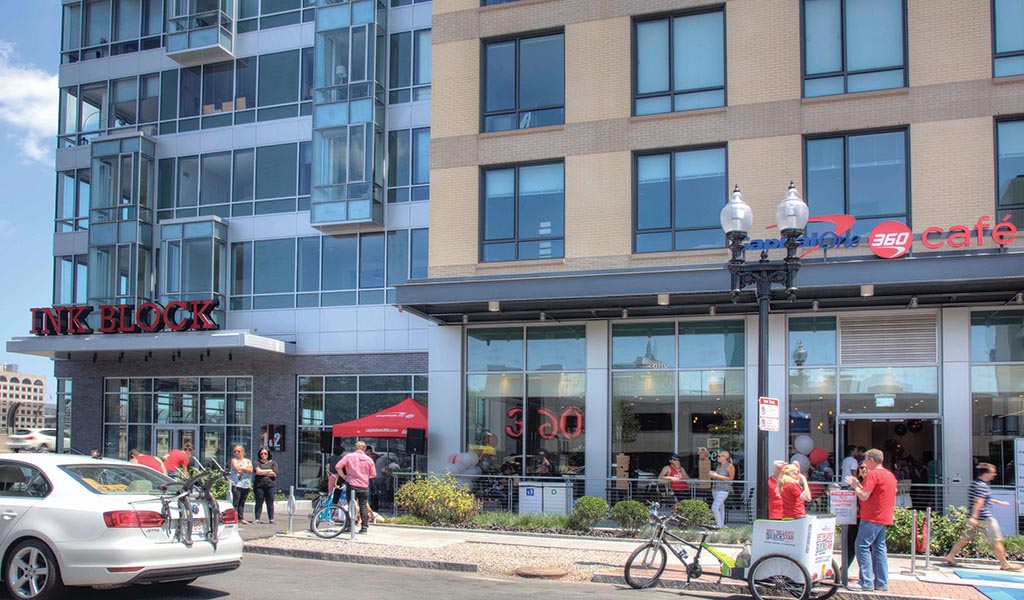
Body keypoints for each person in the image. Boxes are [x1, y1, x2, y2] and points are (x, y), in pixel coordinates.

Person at [945, 463, 1022, 570]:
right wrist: (974, 517)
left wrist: (999, 502)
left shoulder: (975, 484)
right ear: (985, 474)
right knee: (996, 540)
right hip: (985, 518)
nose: (994, 475)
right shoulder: (982, 486)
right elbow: (979, 501)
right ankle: (1005, 564)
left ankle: (950, 556)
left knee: (965, 538)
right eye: (992, 472)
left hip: (975, 517)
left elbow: (983, 499)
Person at [845, 448, 897, 592]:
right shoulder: (890, 475)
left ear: (872, 460)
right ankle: (881, 582)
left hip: (872, 516)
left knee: (862, 546)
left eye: (866, 460)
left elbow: (864, 496)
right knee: (879, 548)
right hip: (884, 516)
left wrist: (855, 486)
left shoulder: (874, 474)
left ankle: (866, 582)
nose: (865, 464)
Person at [337, 440, 377, 534]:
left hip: (351, 483)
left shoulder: (349, 456)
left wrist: (344, 476)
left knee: (351, 505)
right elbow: (373, 474)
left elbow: (338, 466)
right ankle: (364, 527)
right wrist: (364, 477)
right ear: (364, 448)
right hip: (363, 485)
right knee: (363, 505)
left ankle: (350, 526)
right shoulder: (369, 459)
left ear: (355, 448)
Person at [708, 450, 735, 528]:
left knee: (714, 507)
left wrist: (716, 476)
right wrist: (713, 475)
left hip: (724, 489)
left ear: (724, 457)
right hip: (715, 488)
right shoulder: (718, 466)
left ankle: (719, 525)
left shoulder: (729, 466)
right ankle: (721, 525)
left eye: (719, 456)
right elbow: (717, 476)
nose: (718, 458)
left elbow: (731, 479)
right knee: (720, 507)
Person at [253, 447, 279, 524]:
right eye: (261, 453)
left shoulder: (273, 463)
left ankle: (271, 519)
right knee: (259, 502)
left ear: (268, 454)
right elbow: (258, 472)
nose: (263, 455)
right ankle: (257, 519)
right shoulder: (257, 462)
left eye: (265, 453)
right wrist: (269, 470)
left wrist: (263, 471)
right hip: (259, 485)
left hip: (270, 485)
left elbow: (274, 473)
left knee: (270, 502)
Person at [230, 445, 254, 525]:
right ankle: (233, 517)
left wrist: (242, 469)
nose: (236, 453)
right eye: (235, 451)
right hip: (237, 483)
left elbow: (250, 470)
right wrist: (245, 469)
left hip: (246, 483)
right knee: (236, 501)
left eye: (238, 451)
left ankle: (241, 518)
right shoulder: (234, 460)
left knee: (242, 501)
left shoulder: (247, 461)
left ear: (242, 452)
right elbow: (237, 469)